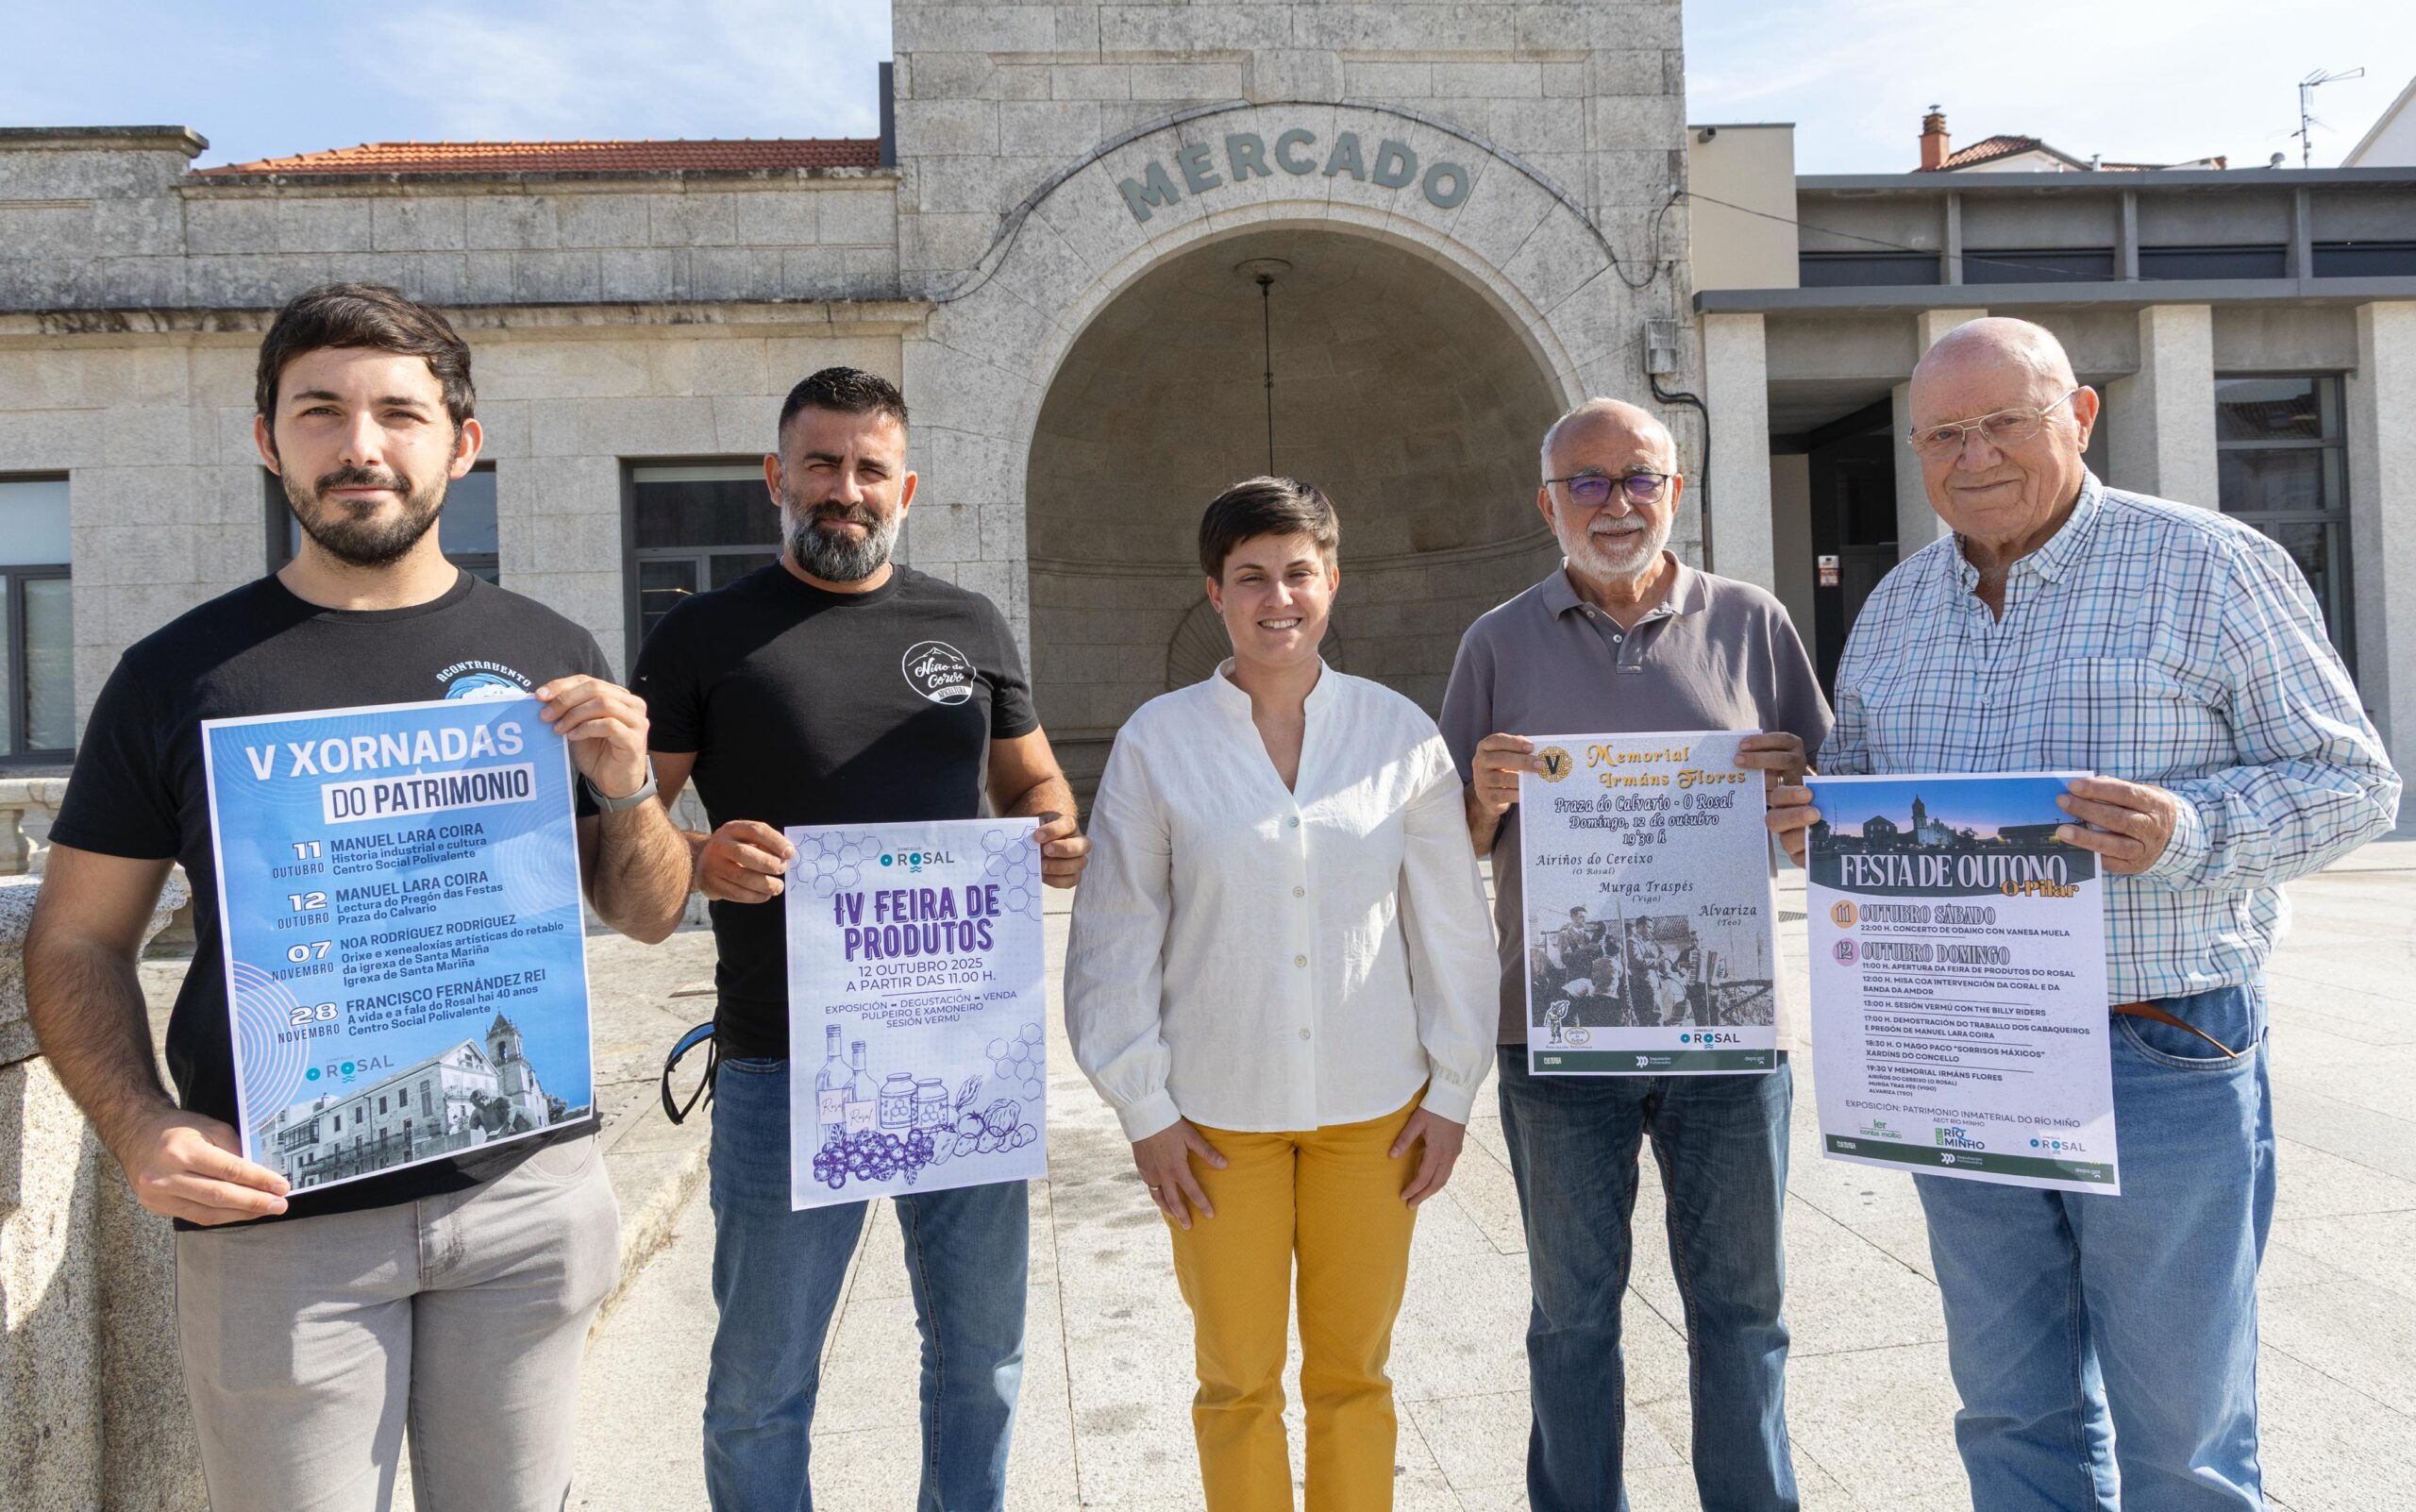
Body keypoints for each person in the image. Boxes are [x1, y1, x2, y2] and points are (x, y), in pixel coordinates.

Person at [22, 282, 695, 1512]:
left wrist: (632, 790)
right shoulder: (178, 677)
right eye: (321, 411)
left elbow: (649, 910)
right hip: (284, 1223)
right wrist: (140, 1126)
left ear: (463, 443)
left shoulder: (551, 648)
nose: (362, 445)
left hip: (526, 1198)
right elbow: (75, 935)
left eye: (399, 411)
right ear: (268, 438)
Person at [1767, 317, 2400, 1511]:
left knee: (2183, 1430)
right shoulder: (1899, 607)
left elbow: (2354, 779)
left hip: (2156, 1043)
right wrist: (1812, 804)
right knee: (2010, 1407)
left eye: (2004, 421)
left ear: (2080, 414)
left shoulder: (2211, 566)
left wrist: (2187, 831)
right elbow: (1868, 783)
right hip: (1959, 1055)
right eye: (1943, 434)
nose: (1974, 456)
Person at [631, 366, 1090, 1512]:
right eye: (821, 464)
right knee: (761, 1386)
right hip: (785, 1061)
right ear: (775, 478)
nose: (845, 489)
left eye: (868, 468)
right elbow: (629, 826)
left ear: (907, 487)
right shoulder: (700, 635)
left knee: (981, 1364)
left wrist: (1055, 832)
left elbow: (1032, 779)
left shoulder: (967, 625)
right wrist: (695, 858)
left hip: (962, 1060)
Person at [1065, 477, 1500, 1512]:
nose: (1278, 598)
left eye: (1298, 573)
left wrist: (1451, 1091)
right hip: (1215, 1120)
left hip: (1374, 1113)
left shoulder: (1398, 736)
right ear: (1213, 591)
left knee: (1355, 1375)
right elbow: (1115, 934)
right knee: (1236, 1381)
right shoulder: (1158, 741)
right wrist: (1143, 1107)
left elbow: (1451, 928)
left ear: (1332, 580)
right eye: (1251, 576)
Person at [1439, 398, 1831, 1512]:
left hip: (1728, 1033)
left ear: (1677, 487)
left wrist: (1794, 790)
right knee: (1570, 1314)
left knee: (1744, 1310)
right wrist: (1482, 794)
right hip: (1556, 1040)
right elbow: (1445, 844)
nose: (1616, 503)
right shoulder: (1495, 640)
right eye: (1589, 482)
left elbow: (1820, 826)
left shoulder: (1753, 623)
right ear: (1546, 501)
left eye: (1639, 478)